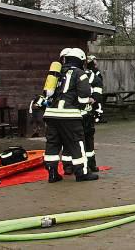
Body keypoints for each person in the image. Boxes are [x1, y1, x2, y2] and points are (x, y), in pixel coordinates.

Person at [43, 48, 97, 183]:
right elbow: (84, 95)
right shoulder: (80, 73)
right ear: (80, 60)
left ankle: (53, 174)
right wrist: (83, 104)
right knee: (77, 143)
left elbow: (47, 93)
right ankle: (82, 173)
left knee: (52, 144)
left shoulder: (57, 72)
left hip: (51, 115)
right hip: (69, 115)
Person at [83, 55, 104, 173]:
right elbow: (98, 95)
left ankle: (70, 166)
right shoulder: (93, 76)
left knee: (74, 141)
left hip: (74, 115)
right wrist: (98, 111)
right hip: (87, 114)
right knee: (88, 141)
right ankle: (90, 165)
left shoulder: (70, 75)